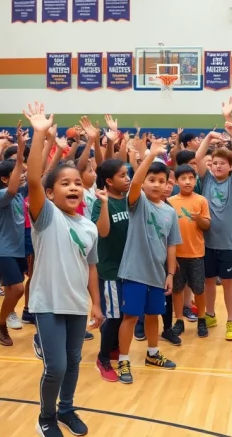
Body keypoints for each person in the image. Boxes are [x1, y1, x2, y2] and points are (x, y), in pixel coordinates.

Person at [23, 103, 104, 437]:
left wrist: (96, 304)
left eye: (76, 183)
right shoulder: (46, 217)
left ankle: (67, 409)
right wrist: (40, 133)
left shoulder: (88, 226)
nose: (72, 187)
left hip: (76, 304)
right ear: (51, 192)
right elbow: (32, 180)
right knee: (55, 366)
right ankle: (46, 416)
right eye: (64, 183)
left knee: (73, 363)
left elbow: (92, 267)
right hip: (47, 303)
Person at [116, 138, 181, 385]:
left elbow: (172, 244)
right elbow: (134, 184)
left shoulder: (170, 212)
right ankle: (123, 358)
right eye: (151, 180)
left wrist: (171, 274)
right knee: (130, 317)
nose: (156, 184)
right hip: (134, 272)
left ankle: (153, 354)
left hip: (157, 274)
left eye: (161, 181)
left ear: (168, 185)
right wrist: (149, 157)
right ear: (143, 183)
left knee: (153, 315)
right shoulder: (138, 203)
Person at [195, 97, 232, 340]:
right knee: (209, 281)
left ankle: (231, 320)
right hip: (207, 241)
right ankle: (210, 314)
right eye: (215, 163)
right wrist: (209, 139)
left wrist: (229, 124)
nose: (217, 166)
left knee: (229, 283)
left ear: (231, 167)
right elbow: (198, 157)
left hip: (228, 243)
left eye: (223, 163)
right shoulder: (207, 180)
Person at [92, 159, 131, 381]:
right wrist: (105, 204)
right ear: (109, 181)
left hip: (129, 267)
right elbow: (103, 232)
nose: (127, 179)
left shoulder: (130, 200)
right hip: (110, 268)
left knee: (124, 313)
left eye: (128, 174)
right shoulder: (101, 202)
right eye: (122, 175)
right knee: (113, 316)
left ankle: (114, 346)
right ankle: (103, 357)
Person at [0, 127, 28, 346]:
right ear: (5, 178)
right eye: (17, 173)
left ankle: (2, 320)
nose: (22, 176)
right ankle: (0, 322)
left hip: (17, 249)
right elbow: (13, 188)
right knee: (18, 288)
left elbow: (38, 172)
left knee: (14, 289)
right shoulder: (0, 196)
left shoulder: (19, 194)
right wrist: (20, 152)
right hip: (3, 249)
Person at [168, 164, 210, 339]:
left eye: (191, 178)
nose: (187, 182)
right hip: (176, 255)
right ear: (176, 181)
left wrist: (199, 219)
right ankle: (178, 320)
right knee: (177, 290)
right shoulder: (170, 202)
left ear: (195, 180)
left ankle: (201, 319)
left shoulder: (201, 200)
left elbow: (207, 225)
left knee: (199, 289)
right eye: (183, 178)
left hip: (196, 253)